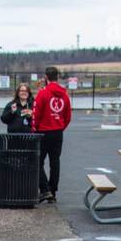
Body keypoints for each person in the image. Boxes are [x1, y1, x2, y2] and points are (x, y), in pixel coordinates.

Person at [32, 66, 72, 203]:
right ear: (58, 77)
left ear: (46, 77)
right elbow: (67, 116)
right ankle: (53, 191)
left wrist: (35, 129)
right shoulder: (65, 95)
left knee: (37, 161)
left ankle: (45, 190)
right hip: (58, 132)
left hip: (43, 132)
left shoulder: (43, 94)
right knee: (55, 162)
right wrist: (60, 127)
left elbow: (36, 114)